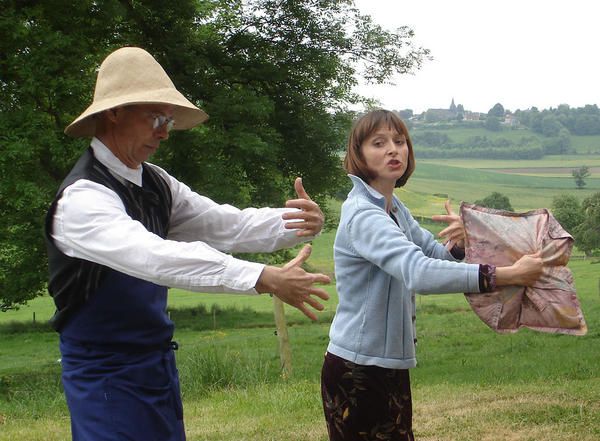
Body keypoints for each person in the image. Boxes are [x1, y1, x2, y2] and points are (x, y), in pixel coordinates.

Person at [44, 46, 331, 441]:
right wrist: (261, 277)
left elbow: (225, 224)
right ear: (114, 112)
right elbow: (154, 257)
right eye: (156, 117)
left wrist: (298, 223)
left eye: (169, 119)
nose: (165, 132)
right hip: (105, 378)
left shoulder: (156, 182)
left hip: (156, 368)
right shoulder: (82, 200)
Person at [320, 109, 543, 441]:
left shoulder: (393, 207)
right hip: (358, 370)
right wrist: (507, 275)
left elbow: (435, 255)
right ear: (359, 154)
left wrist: (459, 243)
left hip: (385, 365)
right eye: (379, 143)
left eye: (399, 141)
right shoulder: (364, 215)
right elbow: (419, 272)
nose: (393, 150)